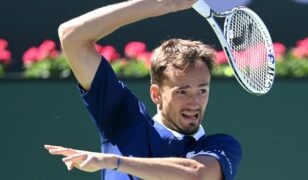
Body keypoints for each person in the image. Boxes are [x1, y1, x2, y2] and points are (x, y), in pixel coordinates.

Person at [45, 0, 241, 179]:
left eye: (202, 90)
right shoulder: (124, 119)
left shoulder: (221, 146)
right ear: (156, 94)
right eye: (182, 91)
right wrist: (160, 4)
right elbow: (71, 37)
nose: (195, 101)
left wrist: (113, 162)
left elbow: (196, 174)